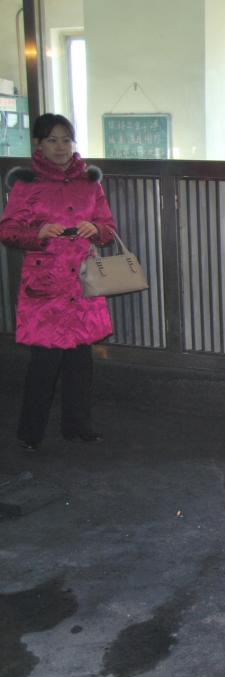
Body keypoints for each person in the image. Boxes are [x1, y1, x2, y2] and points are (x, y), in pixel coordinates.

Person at [0, 113, 117, 451]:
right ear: (38, 144)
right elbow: (7, 230)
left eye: (66, 139)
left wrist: (95, 229)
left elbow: (108, 229)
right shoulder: (26, 184)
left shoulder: (90, 183)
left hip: (81, 282)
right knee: (44, 364)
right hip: (46, 284)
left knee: (81, 361)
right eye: (52, 140)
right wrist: (38, 233)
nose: (61, 147)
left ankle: (78, 427)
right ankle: (30, 434)